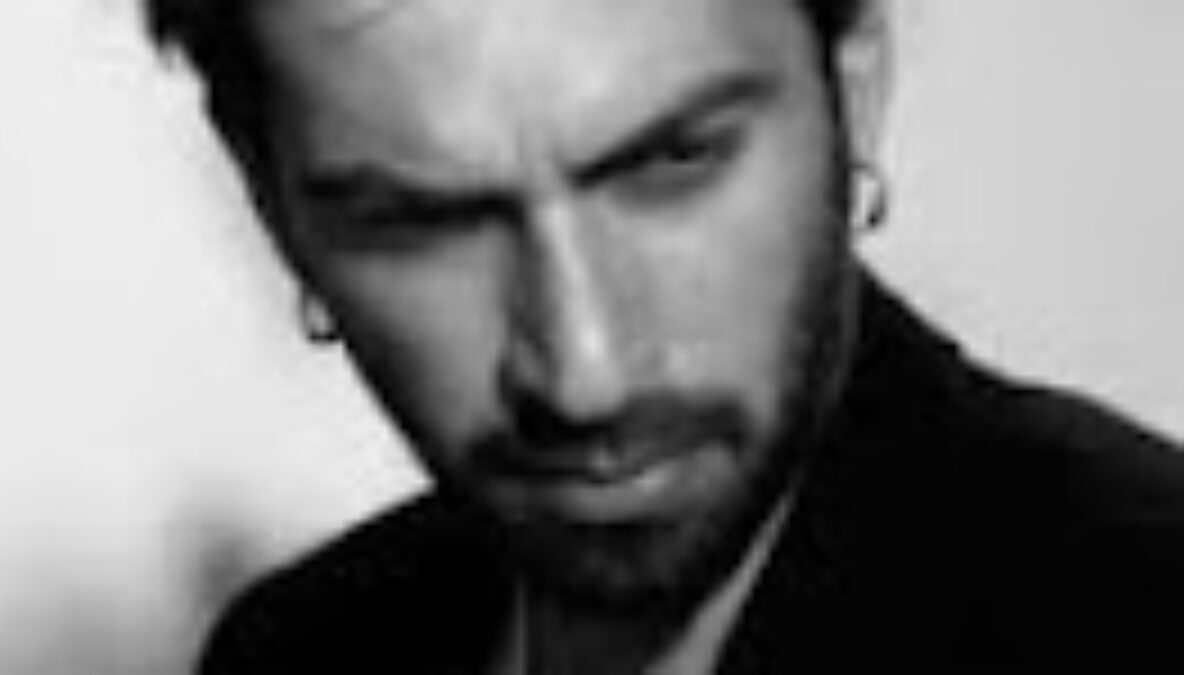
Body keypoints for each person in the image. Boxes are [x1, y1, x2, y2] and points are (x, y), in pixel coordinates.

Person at [146, 0, 1184, 671]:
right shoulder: (298, 649)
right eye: (423, 221)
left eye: (673, 163)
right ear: (267, 197)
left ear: (853, 84)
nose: (585, 371)